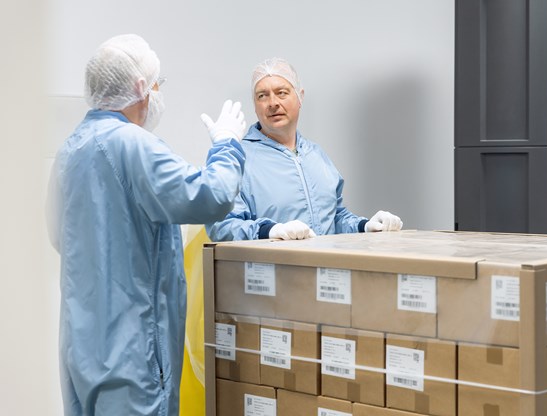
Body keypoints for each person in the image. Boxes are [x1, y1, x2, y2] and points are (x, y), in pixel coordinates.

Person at [45, 34, 246, 415]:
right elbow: (211, 196)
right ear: (140, 87)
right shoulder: (134, 145)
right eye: (157, 84)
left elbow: (59, 235)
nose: (157, 92)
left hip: (82, 353)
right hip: (133, 360)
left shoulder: (70, 149)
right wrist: (226, 146)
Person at [206, 57, 403, 241]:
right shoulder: (238, 159)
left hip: (324, 274)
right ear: (255, 105)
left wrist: (365, 226)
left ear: (300, 97)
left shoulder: (316, 155)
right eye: (262, 96)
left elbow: (335, 217)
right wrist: (269, 231)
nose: (273, 103)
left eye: (281, 92)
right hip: (271, 275)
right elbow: (221, 226)